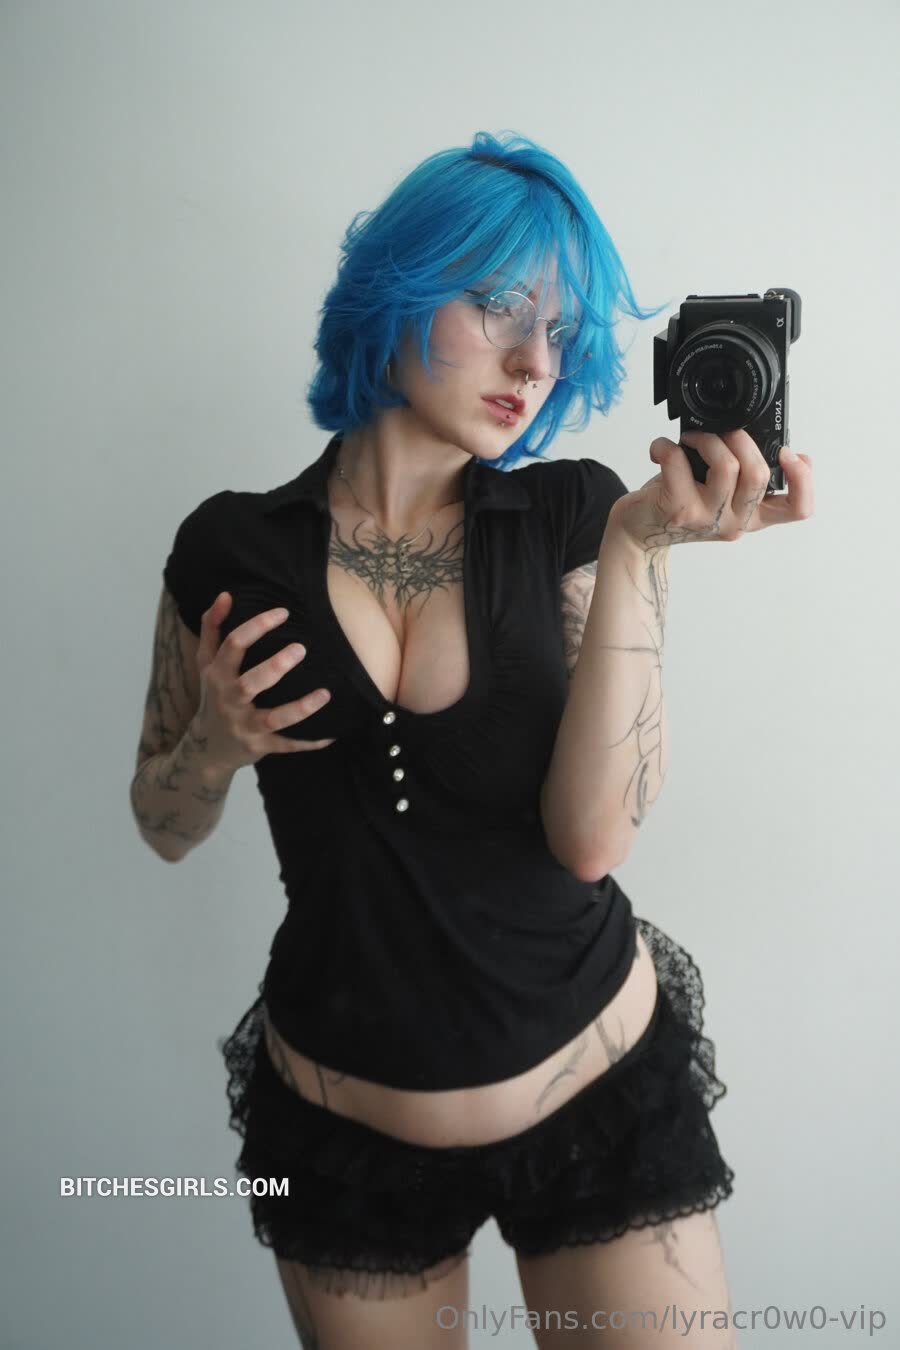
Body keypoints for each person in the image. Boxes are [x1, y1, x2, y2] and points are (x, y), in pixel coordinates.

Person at [133, 131, 744, 1349]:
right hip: (343, 1133)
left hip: (597, 1089)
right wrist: (215, 745)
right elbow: (162, 821)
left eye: (558, 333)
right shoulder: (229, 550)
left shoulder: (575, 514)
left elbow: (592, 839)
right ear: (400, 288)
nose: (535, 360)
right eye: (501, 307)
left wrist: (637, 550)